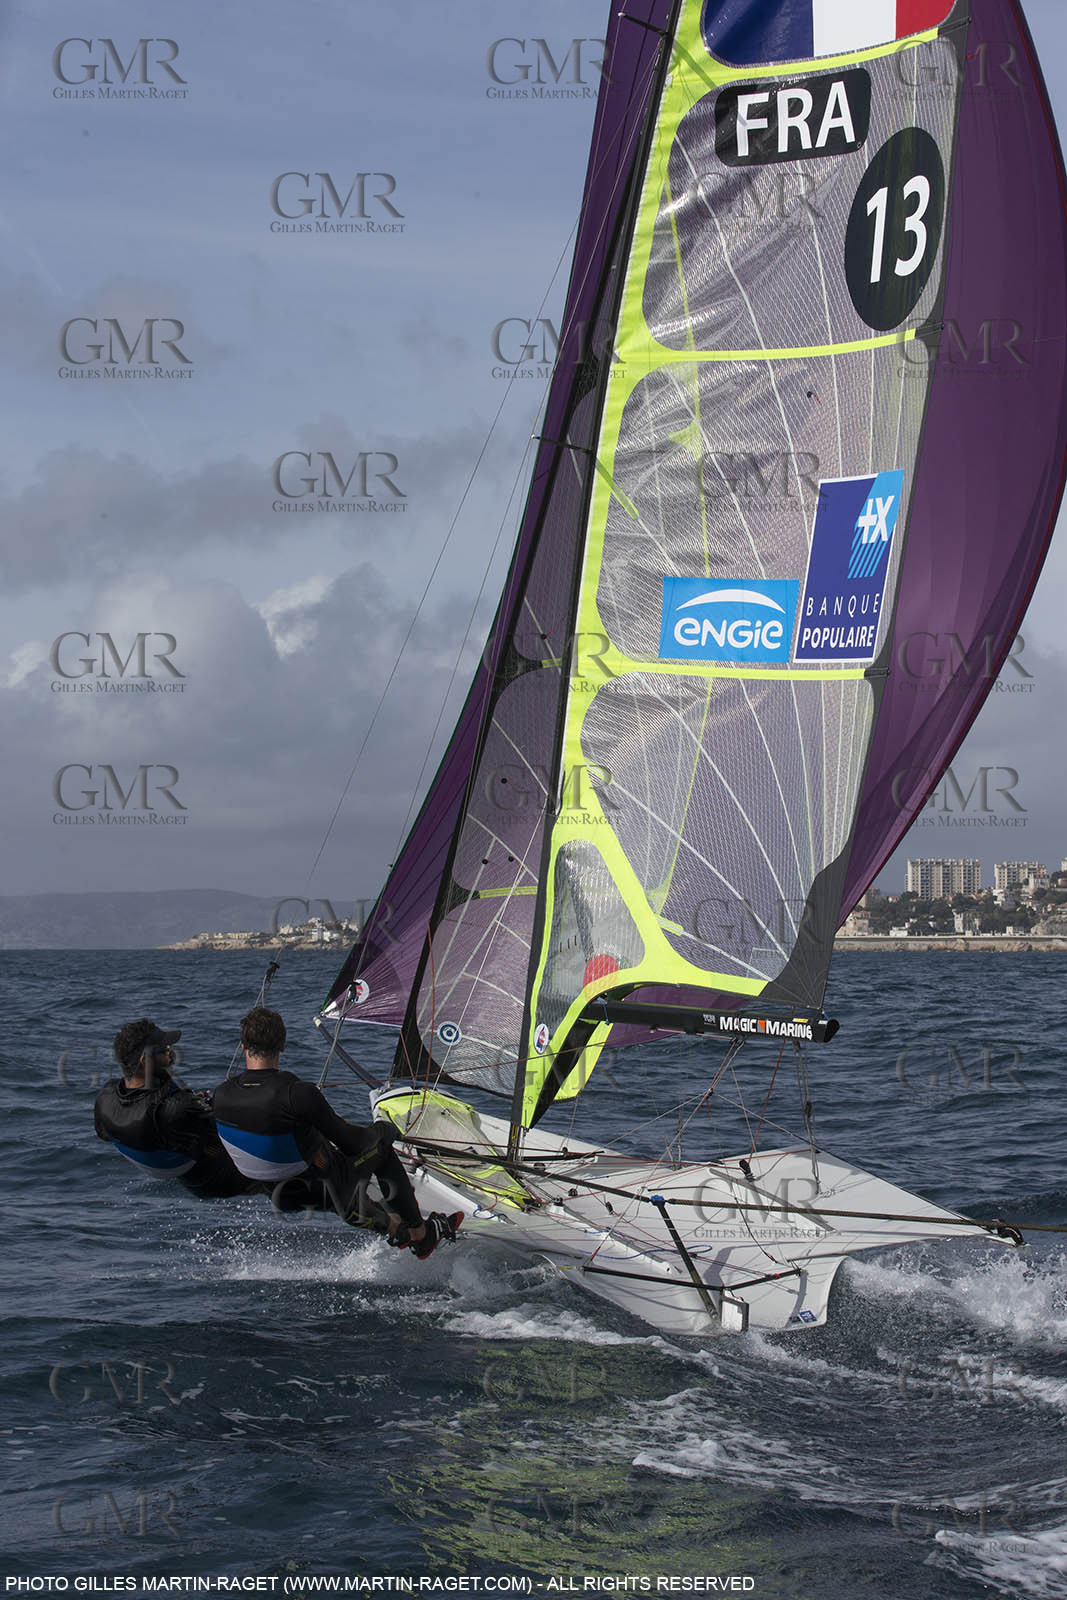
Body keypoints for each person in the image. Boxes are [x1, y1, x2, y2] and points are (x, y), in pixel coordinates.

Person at [212, 1006, 461, 1259]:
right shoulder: (296, 1093)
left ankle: (394, 1227)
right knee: (380, 1145)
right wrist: (383, 1129)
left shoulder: (221, 1095)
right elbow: (351, 1142)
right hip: (322, 1188)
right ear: (283, 1046)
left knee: (328, 1170)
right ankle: (421, 1234)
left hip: (278, 1195)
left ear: (243, 1046)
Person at [95, 1019, 260, 1199]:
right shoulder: (175, 1108)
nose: (172, 1054)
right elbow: (226, 1136)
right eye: (165, 1051)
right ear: (144, 1061)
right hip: (215, 1179)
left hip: (176, 1169)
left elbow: (104, 1134)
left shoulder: (106, 1097)